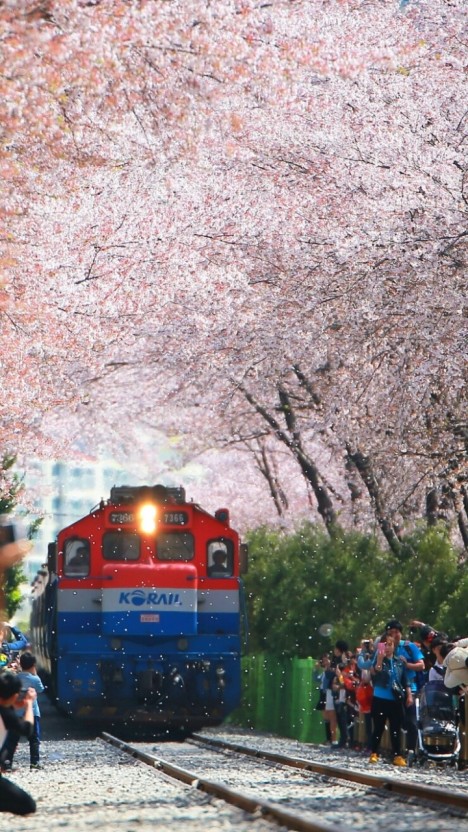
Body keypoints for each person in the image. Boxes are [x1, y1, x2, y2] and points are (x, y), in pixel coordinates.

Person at [369, 634, 412, 766]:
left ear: (394, 646)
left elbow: (405, 680)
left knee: (395, 728)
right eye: (384, 645)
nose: (387, 648)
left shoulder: (399, 661)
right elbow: (376, 671)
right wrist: (379, 660)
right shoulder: (377, 659)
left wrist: (409, 695)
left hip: (395, 699)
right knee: (378, 727)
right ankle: (374, 753)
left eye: (389, 644)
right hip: (380, 699)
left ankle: (397, 755)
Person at [384, 619, 424, 758]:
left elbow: (421, 665)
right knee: (395, 721)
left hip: (411, 688)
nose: (394, 635)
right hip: (391, 689)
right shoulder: (384, 648)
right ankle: (396, 751)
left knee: (411, 720)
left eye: (396, 632)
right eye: (390, 633)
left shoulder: (409, 646)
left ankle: (411, 750)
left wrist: (407, 665)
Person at [0, 671, 36, 815]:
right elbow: (27, 729)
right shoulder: (6, 715)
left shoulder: (5, 713)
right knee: (27, 805)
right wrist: (29, 705)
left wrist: (14, 705)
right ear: (14, 696)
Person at [1, 652, 44, 771]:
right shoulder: (35, 679)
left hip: (17, 713)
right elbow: (41, 689)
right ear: (33, 665)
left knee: (12, 740)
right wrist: (35, 674)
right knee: (34, 740)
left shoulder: (16, 678)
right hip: (33, 713)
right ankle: (34, 763)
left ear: (21, 664)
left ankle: (7, 763)